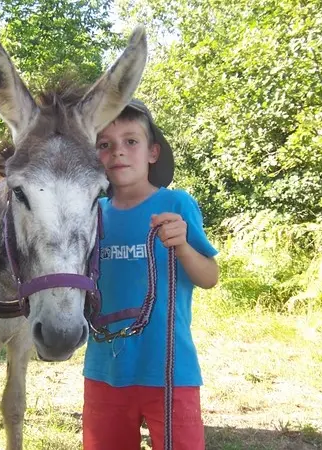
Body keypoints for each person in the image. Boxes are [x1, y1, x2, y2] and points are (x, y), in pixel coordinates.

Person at [83, 99, 220, 450]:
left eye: (131, 141)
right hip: (105, 370)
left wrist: (184, 248)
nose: (118, 152)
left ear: (153, 152)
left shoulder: (176, 204)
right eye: (105, 144)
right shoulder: (91, 213)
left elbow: (209, 276)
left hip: (169, 368)